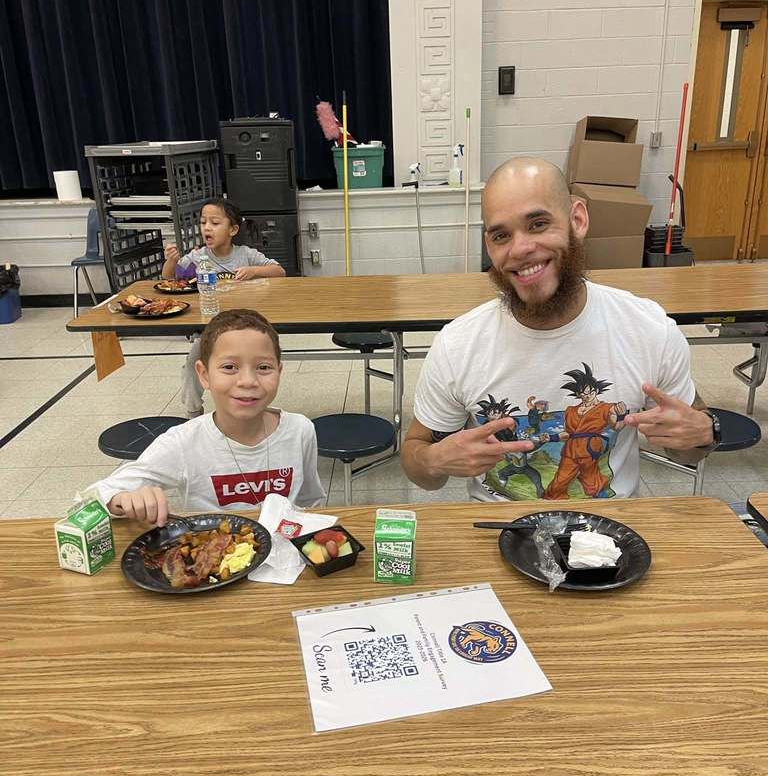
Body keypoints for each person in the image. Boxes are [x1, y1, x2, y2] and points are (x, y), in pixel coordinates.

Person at [401, 157, 717, 502]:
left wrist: (704, 433)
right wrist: (435, 460)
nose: (520, 249)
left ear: (577, 220)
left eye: (537, 224)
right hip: (498, 530)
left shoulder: (648, 329)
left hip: (610, 537)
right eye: (501, 235)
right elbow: (418, 466)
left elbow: (688, 450)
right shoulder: (458, 345)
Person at [85, 309, 324, 525]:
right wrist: (120, 499)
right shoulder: (184, 442)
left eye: (263, 367)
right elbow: (93, 497)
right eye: (229, 367)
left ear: (279, 372)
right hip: (213, 562)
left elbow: (310, 501)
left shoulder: (299, 430)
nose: (248, 381)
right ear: (204, 374)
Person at [162, 198, 286, 419]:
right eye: (203, 222)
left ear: (233, 229)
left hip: (246, 328)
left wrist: (254, 271)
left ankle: (255, 408)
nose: (207, 228)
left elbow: (279, 271)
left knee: (255, 365)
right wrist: (171, 261)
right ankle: (193, 414)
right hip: (211, 329)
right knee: (193, 364)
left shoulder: (245, 254)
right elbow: (170, 278)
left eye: (215, 223)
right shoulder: (198, 257)